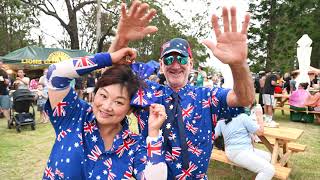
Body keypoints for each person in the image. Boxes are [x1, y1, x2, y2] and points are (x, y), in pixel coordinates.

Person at [108, 1, 255, 178]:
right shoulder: (147, 92)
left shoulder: (207, 96)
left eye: (182, 59)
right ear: (161, 66)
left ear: (191, 64)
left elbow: (244, 99)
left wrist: (238, 64)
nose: (175, 65)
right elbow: (112, 78)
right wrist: (121, 39)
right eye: (169, 60)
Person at [43, 47, 167, 179]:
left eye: (118, 102)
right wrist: (108, 59)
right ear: (95, 93)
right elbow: (55, 73)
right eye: (103, 95)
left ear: (130, 109)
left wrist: (153, 134)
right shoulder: (74, 115)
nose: (107, 106)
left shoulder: (133, 146)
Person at [215, 110, 275, 180]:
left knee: (271, 157)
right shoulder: (243, 117)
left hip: (237, 151)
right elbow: (260, 132)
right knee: (269, 170)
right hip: (240, 152)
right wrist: (259, 116)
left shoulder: (222, 118)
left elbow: (214, 135)